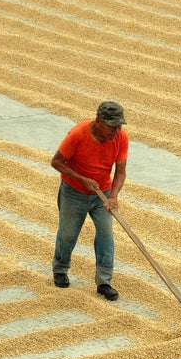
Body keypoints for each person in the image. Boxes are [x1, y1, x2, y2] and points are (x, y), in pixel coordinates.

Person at [51, 101, 129, 301]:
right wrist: (82, 179)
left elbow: (120, 172)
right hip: (73, 192)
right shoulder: (78, 134)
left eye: (119, 126)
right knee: (68, 234)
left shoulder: (121, 138)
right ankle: (60, 268)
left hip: (102, 192)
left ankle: (104, 282)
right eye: (112, 126)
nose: (116, 130)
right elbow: (56, 162)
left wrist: (113, 196)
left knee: (106, 234)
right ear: (98, 121)